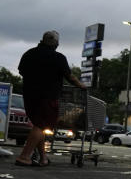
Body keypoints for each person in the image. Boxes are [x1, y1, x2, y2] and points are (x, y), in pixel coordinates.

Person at [16, 30, 86, 167]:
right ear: (56, 43)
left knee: (38, 125)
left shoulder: (29, 53)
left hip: (29, 96)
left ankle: (43, 158)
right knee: (41, 125)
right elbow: (70, 77)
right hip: (47, 97)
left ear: (42, 40)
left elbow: (21, 71)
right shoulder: (58, 57)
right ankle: (24, 157)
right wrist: (81, 86)